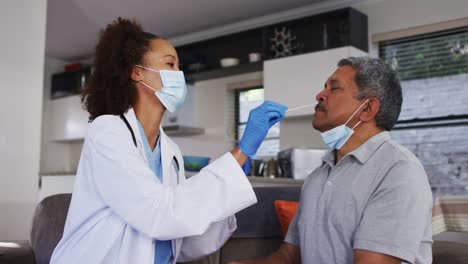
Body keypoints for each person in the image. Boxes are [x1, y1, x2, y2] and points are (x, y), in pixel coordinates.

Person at [50, 18, 287, 263]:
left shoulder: (170, 151)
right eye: (170, 64)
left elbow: (181, 238)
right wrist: (239, 155)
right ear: (137, 72)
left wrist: (229, 182)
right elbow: (159, 214)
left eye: (178, 66)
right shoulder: (108, 132)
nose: (179, 75)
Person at [229, 57, 433, 264]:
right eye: (324, 87)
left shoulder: (399, 172)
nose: (319, 95)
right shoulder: (318, 177)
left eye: (333, 89)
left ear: (367, 109)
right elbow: (289, 256)